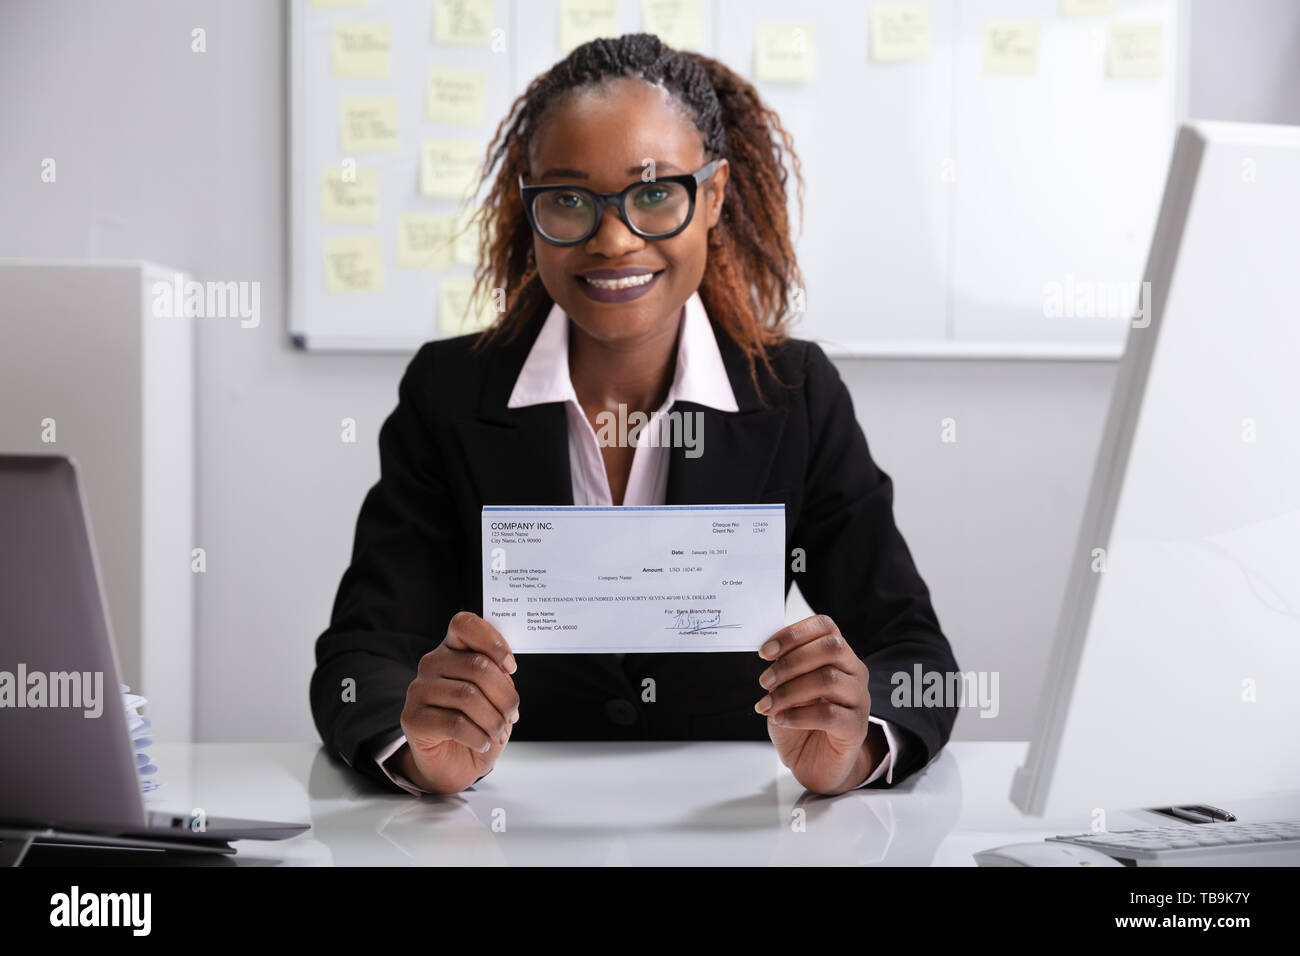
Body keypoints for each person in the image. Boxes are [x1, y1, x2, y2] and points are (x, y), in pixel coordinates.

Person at [310, 33, 959, 798]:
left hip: (728, 829)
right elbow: (361, 659)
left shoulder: (794, 392)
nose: (613, 239)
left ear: (712, 198)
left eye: (654, 194)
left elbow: (915, 659)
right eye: (569, 198)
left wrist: (853, 750)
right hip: (513, 826)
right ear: (532, 206)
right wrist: (422, 754)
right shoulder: (451, 391)